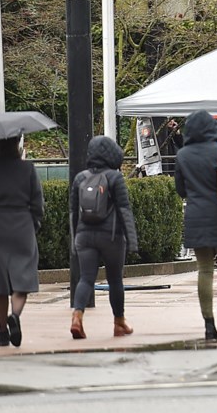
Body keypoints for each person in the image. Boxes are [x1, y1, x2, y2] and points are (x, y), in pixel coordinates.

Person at [175, 110, 217, 341]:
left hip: (196, 216)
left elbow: (181, 190)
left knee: (204, 270)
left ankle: (208, 324)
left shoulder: (183, 155)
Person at [0, 136, 45, 347]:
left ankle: (3, 331)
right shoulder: (28, 169)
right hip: (22, 226)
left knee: (0, 283)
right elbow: (38, 204)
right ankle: (15, 315)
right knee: (22, 278)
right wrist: (33, 225)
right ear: (17, 144)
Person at [69, 136, 139, 339]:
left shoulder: (80, 178)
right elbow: (124, 210)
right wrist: (132, 242)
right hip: (111, 237)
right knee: (115, 280)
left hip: (84, 236)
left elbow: (73, 212)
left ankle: (77, 316)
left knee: (86, 278)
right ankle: (119, 323)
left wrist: (75, 239)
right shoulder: (115, 178)